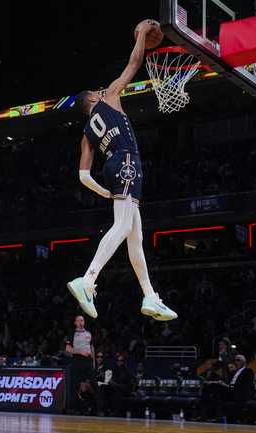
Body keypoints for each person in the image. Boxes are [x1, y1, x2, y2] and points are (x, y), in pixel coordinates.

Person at [66, 19, 177, 322]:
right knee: (124, 227)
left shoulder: (87, 132)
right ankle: (87, 280)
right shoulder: (110, 97)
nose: (101, 89)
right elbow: (135, 62)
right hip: (127, 160)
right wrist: (141, 33)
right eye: (97, 90)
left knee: (135, 236)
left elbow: (82, 176)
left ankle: (150, 296)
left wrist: (106, 192)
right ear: (92, 98)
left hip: (112, 168)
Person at [65, 315, 94, 414]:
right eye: (78, 320)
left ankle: (95, 409)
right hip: (77, 361)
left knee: (92, 384)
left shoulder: (88, 333)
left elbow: (91, 348)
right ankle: (72, 409)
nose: (81, 322)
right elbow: (68, 349)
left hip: (88, 361)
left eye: (82, 320)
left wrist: (93, 362)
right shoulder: (72, 333)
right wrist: (80, 351)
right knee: (75, 385)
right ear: (75, 322)